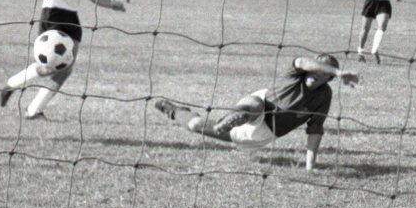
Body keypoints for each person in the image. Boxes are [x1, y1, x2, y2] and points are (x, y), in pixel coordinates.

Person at [152, 52, 360, 169]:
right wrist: (338, 71)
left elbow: (315, 129)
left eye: (324, 74)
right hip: (261, 103)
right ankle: (237, 116)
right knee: (254, 104)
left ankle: (175, 111)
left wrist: (309, 167)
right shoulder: (295, 74)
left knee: (196, 124)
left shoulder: (324, 96)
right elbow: (302, 61)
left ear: (329, 79)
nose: (317, 73)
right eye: (317, 68)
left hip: (262, 133)